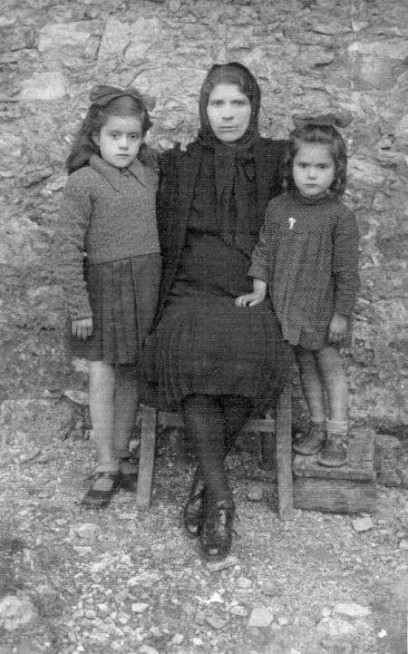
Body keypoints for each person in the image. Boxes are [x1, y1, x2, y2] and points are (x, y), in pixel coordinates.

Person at [141, 63, 292, 561]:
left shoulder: (278, 161)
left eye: (238, 103)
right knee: (189, 349)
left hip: (253, 294)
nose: (227, 114)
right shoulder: (179, 164)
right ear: (204, 108)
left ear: (254, 107)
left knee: (256, 352)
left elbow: (310, 209)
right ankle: (222, 497)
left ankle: (207, 484)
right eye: (217, 103)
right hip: (190, 293)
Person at [58, 85, 162, 508]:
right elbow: (66, 248)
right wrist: (79, 307)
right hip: (104, 291)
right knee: (102, 374)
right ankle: (104, 464)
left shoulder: (148, 175)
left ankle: (120, 454)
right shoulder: (83, 182)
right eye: (114, 136)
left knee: (133, 372)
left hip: (145, 286)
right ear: (95, 136)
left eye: (133, 137)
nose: (123, 145)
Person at [236, 114, 360, 468]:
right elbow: (265, 250)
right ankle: (317, 427)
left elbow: (347, 273)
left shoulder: (339, 217)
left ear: (336, 170)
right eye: (304, 166)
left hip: (323, 311)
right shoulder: (279, 208)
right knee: (305, 367)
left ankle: (338, 434)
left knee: (330, 368)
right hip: (291, 309)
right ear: (291, 167)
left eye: (321, 167)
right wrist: (260, 289)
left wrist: (341, 315)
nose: (311, 174)